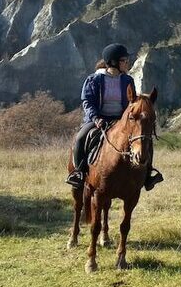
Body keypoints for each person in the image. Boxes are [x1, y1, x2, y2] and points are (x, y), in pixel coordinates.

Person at [65, 43, 164, 191]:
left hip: (121, 120)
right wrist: (96, 118)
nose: (127, 63)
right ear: (113, 62)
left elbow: (131, 102)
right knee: (80, 138)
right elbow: (87, 102)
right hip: (98, 120)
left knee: (145, 140)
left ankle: (148, 175)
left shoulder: (127, 80)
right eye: (124, 60)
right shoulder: (94, 79)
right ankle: (78, 173)